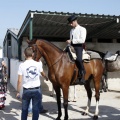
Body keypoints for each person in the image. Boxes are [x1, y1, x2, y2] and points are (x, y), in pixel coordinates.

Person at [16, 47, 48, 120]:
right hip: (36, 90)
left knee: (24, 110)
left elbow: (19, 81)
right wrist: (45, 77)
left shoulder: (21, 65)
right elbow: (42, 73)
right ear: (33, 54)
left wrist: (18, 92)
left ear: (24, 54)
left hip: (26, 90)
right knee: (35, 110)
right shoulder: (38, 64)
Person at [66, 15, 87, 85]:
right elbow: (71, 40)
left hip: (79, 47)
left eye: (71, 23)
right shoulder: (71, 30)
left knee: (79, 59)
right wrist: (69, 44)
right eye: (70, 23)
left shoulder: (82, 29)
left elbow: (82, 40)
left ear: (75, 21)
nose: (71, 25)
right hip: (71, 46)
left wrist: (71, 41)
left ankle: (82, 74)